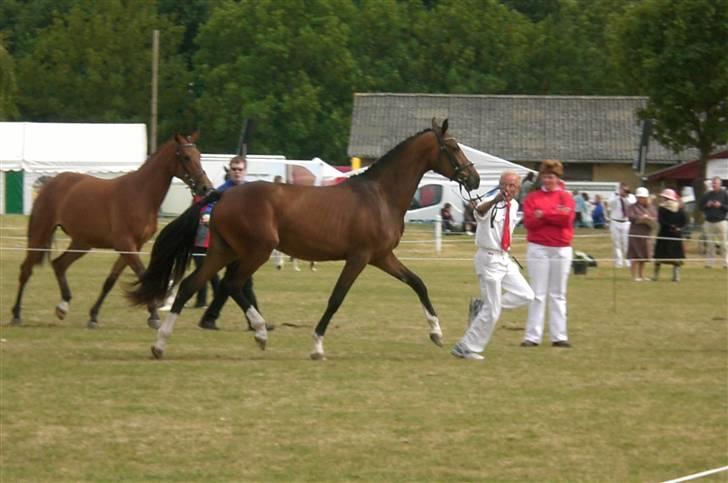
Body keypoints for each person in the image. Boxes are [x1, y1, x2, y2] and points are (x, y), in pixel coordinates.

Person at [451, 171, 534, 360]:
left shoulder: (514, 205)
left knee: (526, 295)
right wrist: (495, 199)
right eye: (505, 185)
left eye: (512, 186)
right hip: (488, 259)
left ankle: (482, 309)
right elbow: (479, 211)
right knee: (493, 310)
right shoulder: (489, 201)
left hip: (504, 258)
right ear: (499, 185)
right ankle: (465, 347)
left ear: (518, 189)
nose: (508, 189)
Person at [198, 155, 265, 331]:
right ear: (230, 170)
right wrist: (207, 215)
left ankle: (210, 318)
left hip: (246, 244)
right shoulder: (223, 190)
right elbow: (209, 206)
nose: (237, 172)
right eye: (234, 169)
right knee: (243, 282)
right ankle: (254, 320)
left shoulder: (251, 191)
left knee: (232, 283)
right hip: (229, 244)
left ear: (245, 171)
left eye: (240, 169)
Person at [521, 159, 575, 348]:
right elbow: (529, 222)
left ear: (558, 178)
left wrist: (543, 214)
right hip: (538, 247)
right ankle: (532, 336)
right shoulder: (532, 197)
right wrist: (553, 214)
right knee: (537, 293)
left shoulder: (566, 197)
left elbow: (566, 218)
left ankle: (559, 335)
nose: (549, 180)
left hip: (561, 248)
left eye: (552, 177)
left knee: (558, 293)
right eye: (546, 176)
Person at [653, 188, 688, 282]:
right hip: (670, 234)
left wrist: (675, 227)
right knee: (660, 256)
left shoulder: (665, 209)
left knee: (673, 256)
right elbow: (684, 221)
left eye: (664, 197)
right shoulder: (673, 208)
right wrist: (676, 227)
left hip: (670, 234)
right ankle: (657, 275)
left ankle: (675, 275)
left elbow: (683, 221)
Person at [191, 201, 220, 307]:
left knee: (203, 272)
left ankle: (202, 301)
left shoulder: (208, 207)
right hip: (198, 243)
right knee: (209, 272)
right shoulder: (198, 206)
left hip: (204, 244)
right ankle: (217, 296)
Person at [626, 187, 657, 282]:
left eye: (643, 197)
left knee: (644, 256)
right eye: (639, 197)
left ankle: (642, 275)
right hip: (635, 233)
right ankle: (634, 276)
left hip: (646, 234)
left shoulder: (651, 207)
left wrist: (650, 219)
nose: (641, 199)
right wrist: (640, 218)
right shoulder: (632, 207)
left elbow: (655, 218)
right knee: (634, 256)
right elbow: (630, 217)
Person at [699, 176, 728, 268]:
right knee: (710, 244)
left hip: (721, 221)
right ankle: (710, 263)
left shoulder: (725, 194)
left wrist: (721, 205)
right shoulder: (706, 195)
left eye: (716, 183)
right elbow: (700, 207)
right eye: (713, 183)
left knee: (724, 244)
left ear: (720, 184)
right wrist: (707, 205)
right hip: (709, 222)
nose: (714, 185)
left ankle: (726, 263)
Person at [607, 183, 636, 268]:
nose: (625, 191)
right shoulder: (613, 196)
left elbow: (632, 205)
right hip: (615, 222)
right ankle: (618, 262)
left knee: (626, 243)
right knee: (617, 243)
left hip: (626, 222)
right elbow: (611, 204)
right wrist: (618, 197)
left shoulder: (631, 196)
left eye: (626, 189)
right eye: (623, 189)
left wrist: (625, 197)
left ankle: (628, 262)